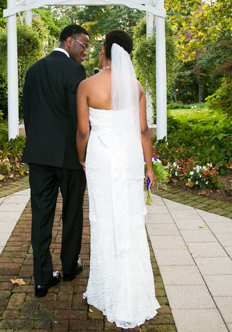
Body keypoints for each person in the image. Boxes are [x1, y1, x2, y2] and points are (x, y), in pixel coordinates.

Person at [76, 29, 160, 328]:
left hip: (101, 157)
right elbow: (142, 131)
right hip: (130, 159)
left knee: (104, 219)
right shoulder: (135, 86)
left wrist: (82, 156)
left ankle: (107, 289)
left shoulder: (87, 85)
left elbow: (84, 131)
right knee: (132, 219)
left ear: (105, 51)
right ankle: (132, 290)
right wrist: (149, 167)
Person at [22, 24, 89, 298]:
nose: (85, 52)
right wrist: (84, 155)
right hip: (70, 157)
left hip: (38, 156)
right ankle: (70, 267)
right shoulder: (74, 71)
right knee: (72, 212)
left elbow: (28, 113)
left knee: (41, 216)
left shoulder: (33, 70)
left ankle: (42, 278)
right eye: (83, 45)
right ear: (70, 41)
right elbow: (78, 118)